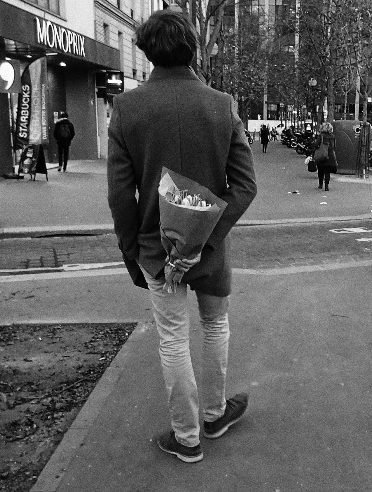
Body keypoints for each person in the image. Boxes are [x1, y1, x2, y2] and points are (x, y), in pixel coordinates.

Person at [107, 10, 258, 464]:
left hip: (156, 250)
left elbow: (120, 195)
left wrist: (132, 253)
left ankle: (186, 436)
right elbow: (244, 186)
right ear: (194, 48)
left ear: (145, 52)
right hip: (210, 249)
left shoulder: (127, 109)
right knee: (215, 325)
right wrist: (205, 237)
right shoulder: (221, 105)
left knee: (172, 339)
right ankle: (214, 414)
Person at [313, 122, 337, 191]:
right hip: (330, 155)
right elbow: (334, 146)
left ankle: (320, 184)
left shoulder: (321, 136)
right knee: (327, 171)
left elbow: (316, 144)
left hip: (322, 154)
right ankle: (326, 186)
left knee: (320, 169)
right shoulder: (333, 136)